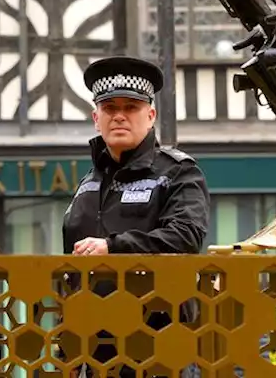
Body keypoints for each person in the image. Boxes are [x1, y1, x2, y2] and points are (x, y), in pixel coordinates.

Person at [62, 55, 211, 377]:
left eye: (130, 108)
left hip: (159, 344)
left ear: (151, 115)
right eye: (110, 108)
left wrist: (113, 247)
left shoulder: (178, 171)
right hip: (93, 349)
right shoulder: (88, 182)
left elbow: (186, 237)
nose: (119, 117)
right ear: (95, 117)